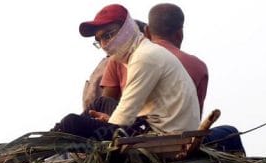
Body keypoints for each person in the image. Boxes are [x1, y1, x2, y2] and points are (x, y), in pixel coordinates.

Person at [54, 4, 200, 141]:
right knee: (101, 103)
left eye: (108, 35)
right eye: (99, 41)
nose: (105, 45)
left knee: (71, 123)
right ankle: (46, 141)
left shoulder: (144, 57)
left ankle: (40, 148)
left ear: (127, 28)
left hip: (162, 136)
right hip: (152, 124)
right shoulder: (140, 53)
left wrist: (109, 122)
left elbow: (122, 120)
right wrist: (108, 120)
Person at [100, 3, 208, 113]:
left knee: (99, 104)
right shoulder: (198, 66)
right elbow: (195, 118)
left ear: (146, 31)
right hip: (179, 127)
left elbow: (105, 106)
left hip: (132, 125)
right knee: (224, 129)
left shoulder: (120, 59)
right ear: (180, 34)